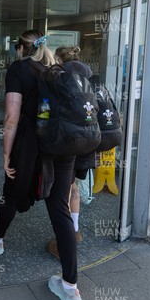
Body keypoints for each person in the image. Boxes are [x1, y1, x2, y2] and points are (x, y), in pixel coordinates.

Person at [0, 30, 83, 300]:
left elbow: (12, 116)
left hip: (31, 144)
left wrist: (6, 154)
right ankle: (71, 287)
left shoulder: (18, 69)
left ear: (19, 48)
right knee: (59, 208)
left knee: (11, 189)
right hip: (63, 145)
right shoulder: (55, 68)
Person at [47, 45, 95, 260]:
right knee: (74, 185)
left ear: (59, 58)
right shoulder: (88, 77)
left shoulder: (61, 77)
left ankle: (64, 239)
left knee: (63, 190)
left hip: (68, 140)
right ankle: (74, 230)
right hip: (88, 140)